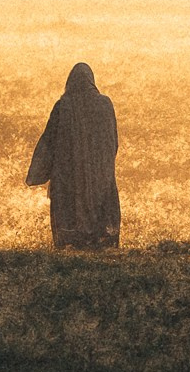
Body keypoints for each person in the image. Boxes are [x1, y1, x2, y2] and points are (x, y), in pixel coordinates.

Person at [25, 61, 120, 248]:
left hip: (69, 177)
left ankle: (71, 246)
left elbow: (49, 142)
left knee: (70, 221)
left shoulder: (63, 106)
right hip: (100, 176)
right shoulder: (105, 105)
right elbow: (112, 141)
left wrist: (37, 173)